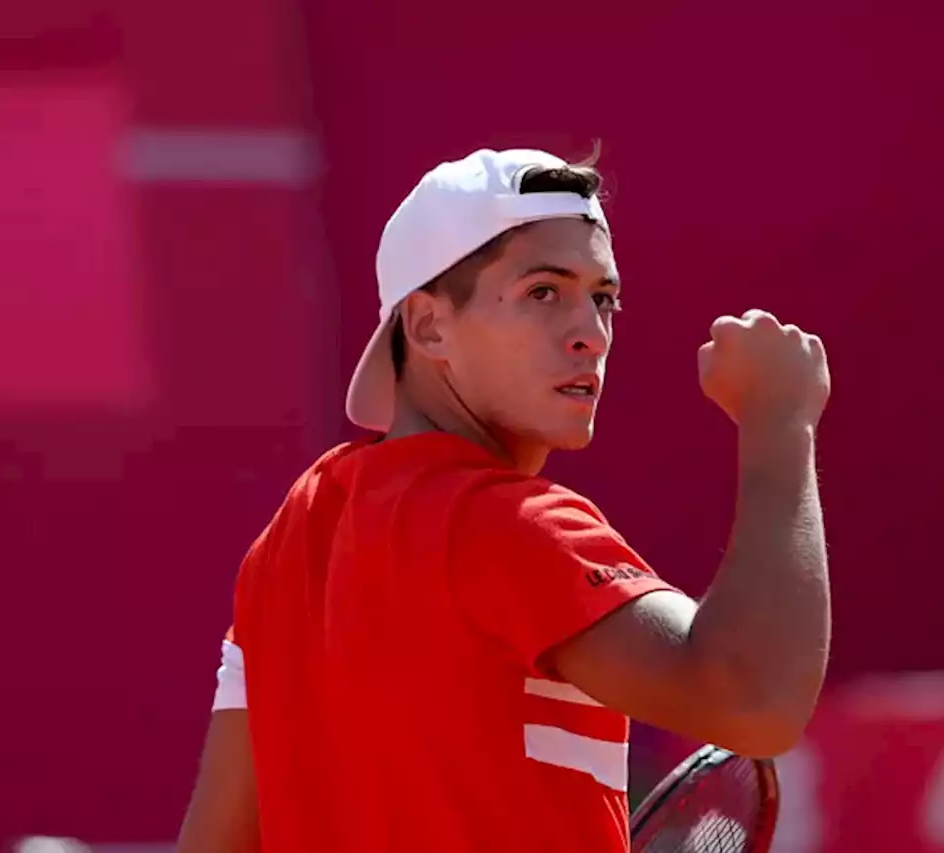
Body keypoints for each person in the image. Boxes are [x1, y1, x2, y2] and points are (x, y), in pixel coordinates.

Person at [176, 148, 832, 853]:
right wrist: (779, 423)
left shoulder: (285, 545)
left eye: (602, 297)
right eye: (543, 292)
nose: (592, 334)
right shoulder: (509, 524)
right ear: (428, 325)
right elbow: (753, 697)